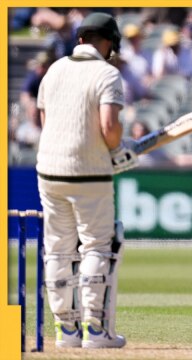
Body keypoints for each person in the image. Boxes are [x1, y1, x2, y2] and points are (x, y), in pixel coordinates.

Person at [36, 12, 136, 348]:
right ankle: (95, 330)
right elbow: (108, 129)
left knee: (58, 249)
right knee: (96, 245)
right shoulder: (107, 74)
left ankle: (65, 331)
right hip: (88, 172)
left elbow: (46, 120)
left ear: (80, 38)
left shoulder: (54, 70)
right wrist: (120, 147)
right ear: (108, 41)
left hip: (48, 170)